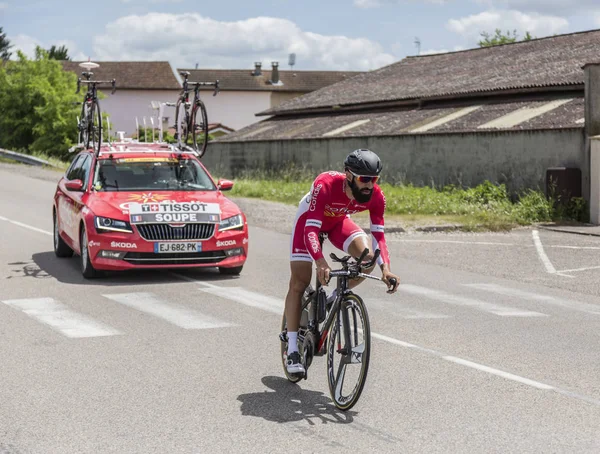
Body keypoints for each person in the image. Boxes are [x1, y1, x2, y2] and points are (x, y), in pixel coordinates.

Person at [284, 148, 401, 374]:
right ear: (349, 175)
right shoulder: (325, 184)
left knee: (367, 259)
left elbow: (378, 235)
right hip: (309, 222)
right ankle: (292, 350)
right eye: (364, 179)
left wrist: (385, 269)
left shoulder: (376, 196)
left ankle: (332, 298)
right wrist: (320, 261)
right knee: (300, 281)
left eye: (374, 179)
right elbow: (311, 228)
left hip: (338, 222)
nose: (370, 184)